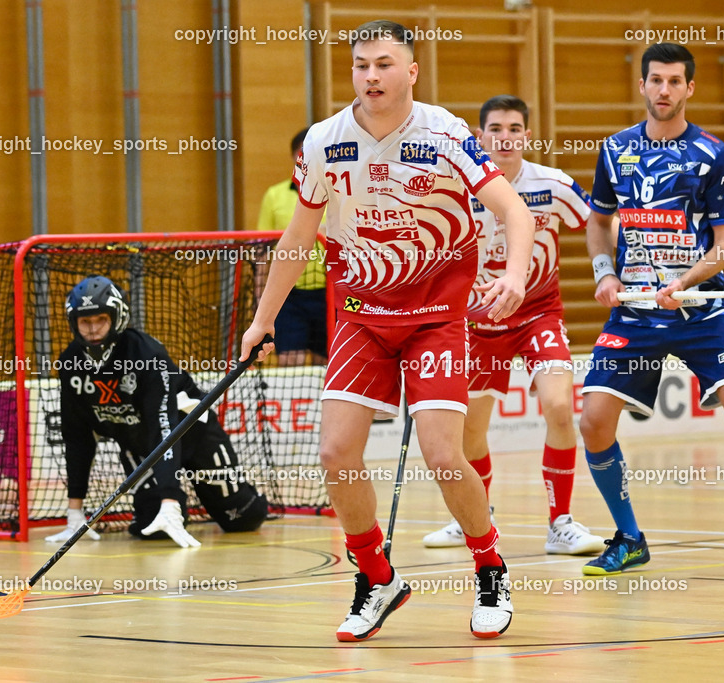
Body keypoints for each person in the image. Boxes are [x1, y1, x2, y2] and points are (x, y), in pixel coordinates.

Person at [240, 20, 534, 641]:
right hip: (361, 315)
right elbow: (298, 241)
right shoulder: (323, 141)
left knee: (441, 452)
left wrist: (511, 276)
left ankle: (490, 565)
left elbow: (512, 209)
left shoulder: (448, 134)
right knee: (336, 452)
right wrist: (262, 320)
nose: (370, 76)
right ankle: (375, 577)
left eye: (383, 64)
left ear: (411, 71)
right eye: (360, 65)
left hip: (434, 316)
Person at [580, 43, 724, 580]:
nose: (665, 90)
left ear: (690, 88)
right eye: (656, 80)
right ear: (643, 85)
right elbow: (599, 221)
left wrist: (685, 280)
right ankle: (629, 537)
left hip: (701, 306)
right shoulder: (614, 150)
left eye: (675, 81)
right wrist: (604, 271)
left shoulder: (715, 155)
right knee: (594, 421)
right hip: (635, 310)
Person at [422, 94, 605, 556]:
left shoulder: (553, 184)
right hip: (479, 324)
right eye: (496, 129)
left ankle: (560, 523)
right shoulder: (459, 187)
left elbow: (600, 223)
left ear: (527, 134)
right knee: (470, 433)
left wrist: (618, 266)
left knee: (560, 408)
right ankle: (474, 518)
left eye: (515, 129)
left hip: (539, 312)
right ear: (481, 136)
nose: (505, 138)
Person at [48, 276, 268, 547]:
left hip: (188, 432)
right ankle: (167, 509)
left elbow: (164, 425)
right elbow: (77, 438)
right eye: (85, 321)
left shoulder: (146, 355)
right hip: (140, 444)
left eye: (100, 320)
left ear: (117, 317)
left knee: (243, 518)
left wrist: (170, 501)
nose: (93, 329)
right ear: (74, 322)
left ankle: (192, 503)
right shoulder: (70, 362)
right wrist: (74, 513)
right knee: (153, 528)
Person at [258, 127, 328, 366]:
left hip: (328, 292)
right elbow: (261, 250)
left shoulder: (335, 192)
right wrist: (261, 298)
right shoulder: (274, 196)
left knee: (326, 362)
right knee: (290, 360)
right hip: (289, 294)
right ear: (294, 156)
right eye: (302, 152)